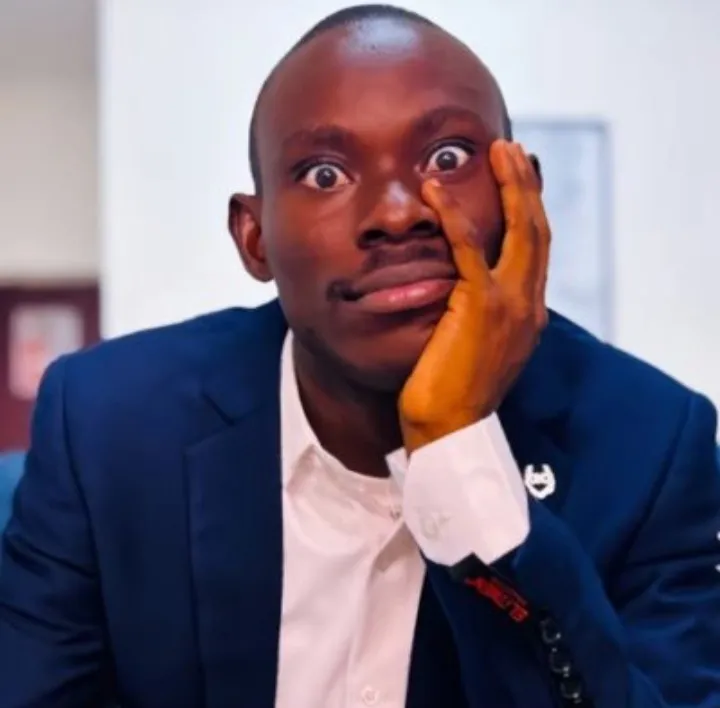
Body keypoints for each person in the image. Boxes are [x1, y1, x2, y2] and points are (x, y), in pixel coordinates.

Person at [1, 4, 719, 707]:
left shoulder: (652, 450)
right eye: (324, 174)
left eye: (447, 158)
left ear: (522, 196)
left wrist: (457, 450)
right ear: (255, 238)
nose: (398, 212)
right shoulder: (110, 427)